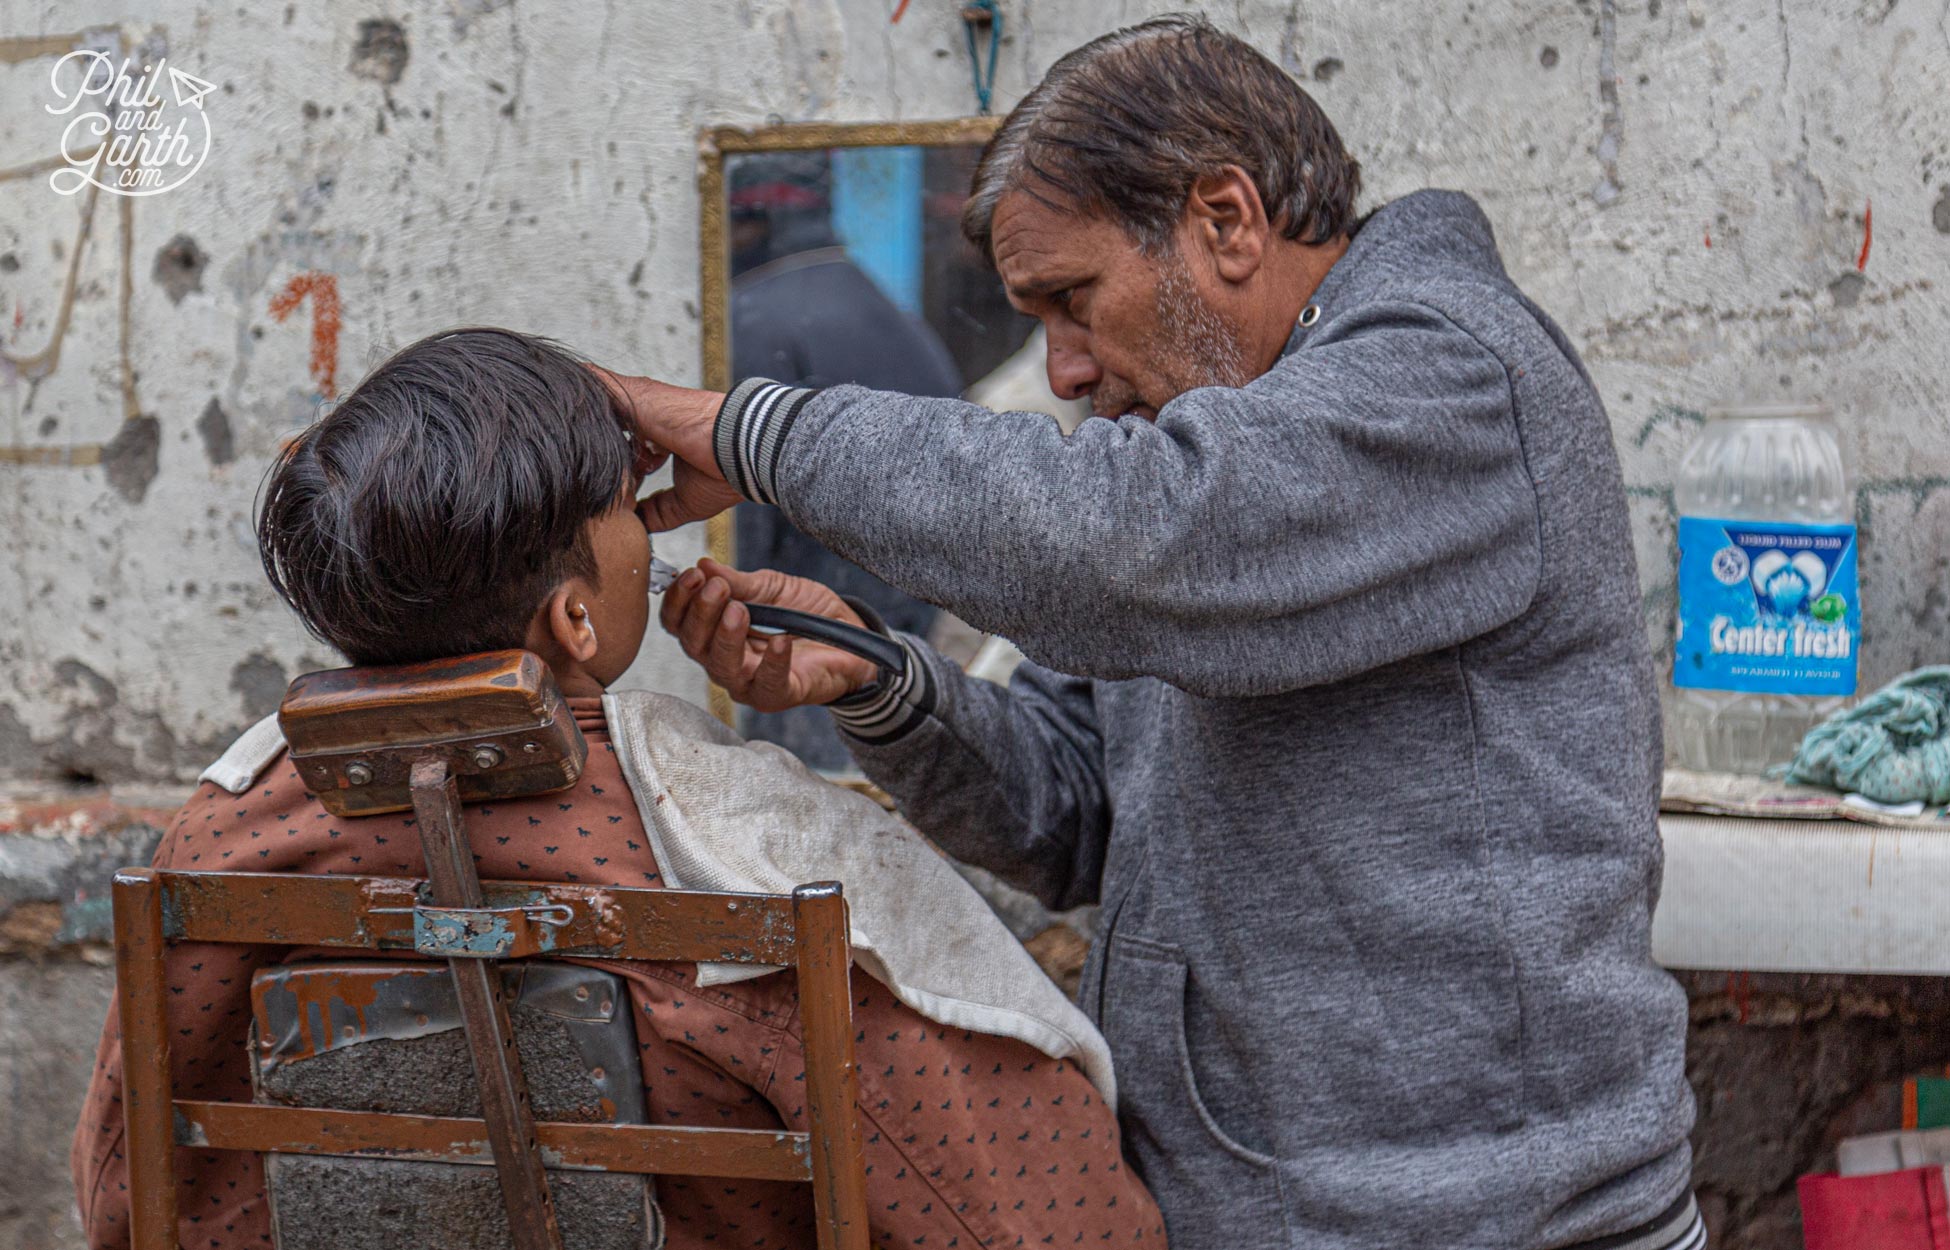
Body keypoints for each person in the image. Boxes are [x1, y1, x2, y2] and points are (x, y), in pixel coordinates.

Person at [614, 16, 1703, 1250]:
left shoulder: (1450, 377)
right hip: (1252, 1210)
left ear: (1227, 219)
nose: (1064, 370)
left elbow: (1128, 542)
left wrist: (761, 436)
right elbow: (1081, 806)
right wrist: (879, 683)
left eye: (1072, 301)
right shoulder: (1216, 456)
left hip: (1494, 1222)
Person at [70, 328, 1165, 1250]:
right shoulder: (728, 843)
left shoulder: (223, 825)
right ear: (574, 620)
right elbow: (1036, 1210)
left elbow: (126, 1188)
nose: (651, 532)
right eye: (628, 509)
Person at [728, 150, 963, 770]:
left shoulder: (749, 323)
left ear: (744, 223)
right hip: (902, 663)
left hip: (807, 667)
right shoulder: (888, 312)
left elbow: (735, 545)